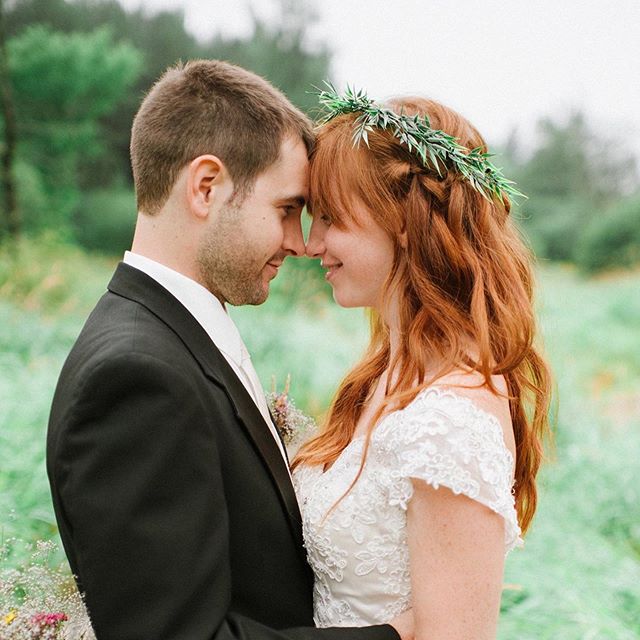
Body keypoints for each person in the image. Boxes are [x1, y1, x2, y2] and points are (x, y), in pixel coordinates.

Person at [46, 61, 407, 640]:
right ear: (206, 186)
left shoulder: (169, 336)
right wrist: (392, 636)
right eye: (287, 209)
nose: (300, 243)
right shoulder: (135, 377)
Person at [293, 89, 552, 640]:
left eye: (332, 218)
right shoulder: (388, 371)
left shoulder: (449, 424)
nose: (311, 243)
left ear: (404, 222)